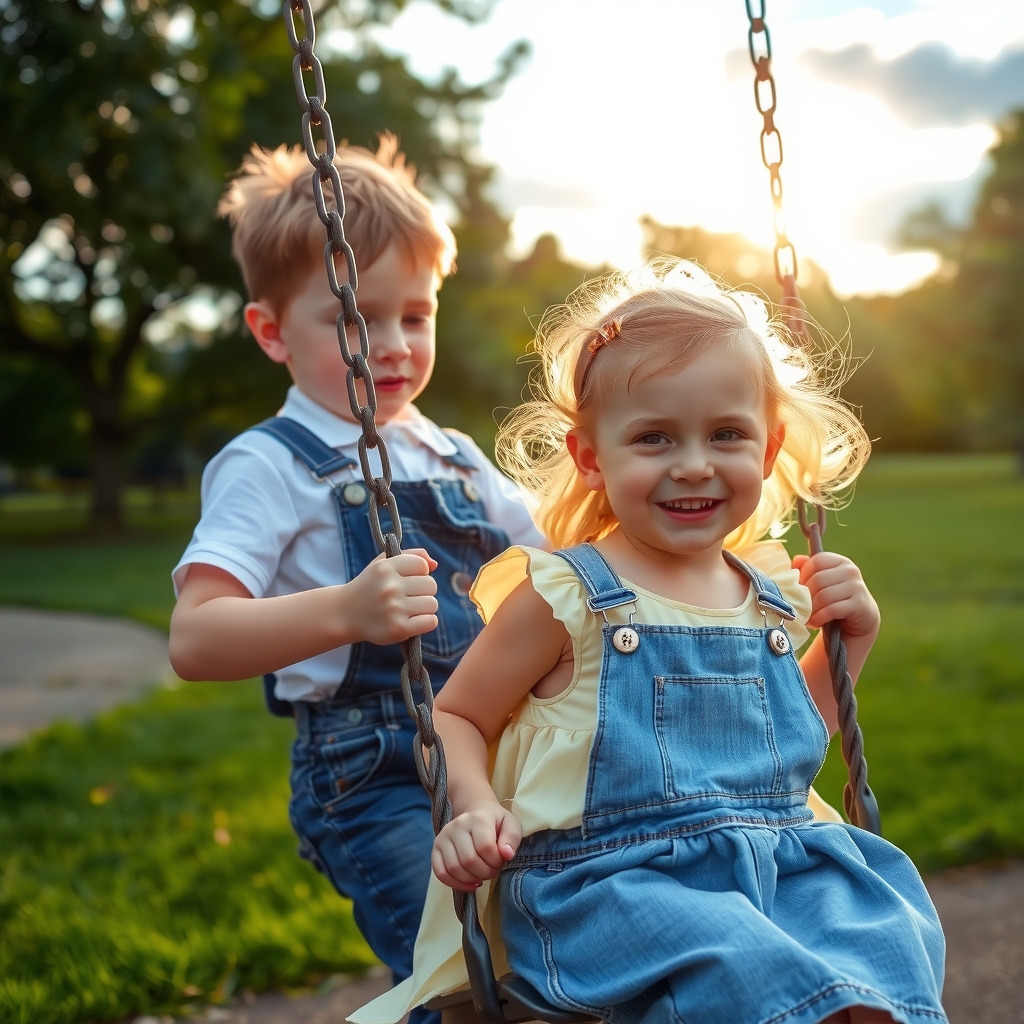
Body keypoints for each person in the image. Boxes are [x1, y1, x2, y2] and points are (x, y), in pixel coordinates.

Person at [351, 261, 946, 1024]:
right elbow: (457, 715)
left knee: (889, 937)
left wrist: (849, 642)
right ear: (592, 458)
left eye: (726, 434)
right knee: (743, 966)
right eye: (654, 437)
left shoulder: (771, 595)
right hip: (611, 885)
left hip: (771, 864)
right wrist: (470, 807)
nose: (693, 463)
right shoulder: (567, 593)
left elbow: (782, 745)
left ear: (767, 453)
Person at [168, 138, 544, 1024]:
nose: (394, 345)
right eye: (356, 318)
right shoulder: (268, 464)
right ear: (270, 332)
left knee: (540, 951)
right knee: (459, 970)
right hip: (367, 769)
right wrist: (346, 610)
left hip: (488, 748)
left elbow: (554, 554)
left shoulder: (454, 456)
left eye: (416, 316)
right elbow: (196, 636)